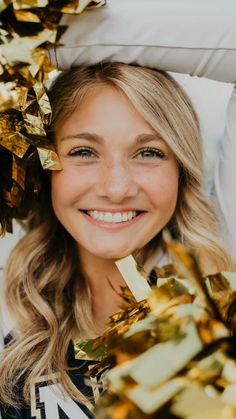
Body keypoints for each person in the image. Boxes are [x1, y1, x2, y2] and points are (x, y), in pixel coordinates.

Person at [0, 62, 235, 419]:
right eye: (83, 152)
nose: (117, 187)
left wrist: (50, 35)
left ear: (180, 172)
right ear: (45, 172)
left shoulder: (219, 303)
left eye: (148, 153)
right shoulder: (12, 338)